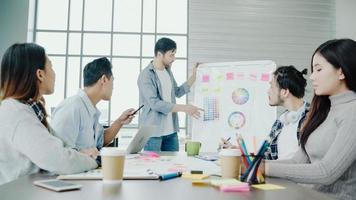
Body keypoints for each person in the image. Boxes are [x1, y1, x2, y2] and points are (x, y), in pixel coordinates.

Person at [265, 39, 356, 200]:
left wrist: (264, 168)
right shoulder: (323, 110)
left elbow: (326, 172)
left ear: (341, 72)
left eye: (318, 69)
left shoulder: (352, 111)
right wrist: (252, 164)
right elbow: (296, 162)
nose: (312, 77)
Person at [0, 43, 97, 185]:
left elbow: (62, 146)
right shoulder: (17, 114)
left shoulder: (29, 110)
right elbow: (59, 160)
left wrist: (81, 154)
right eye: (50, 66)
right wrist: (95, 161)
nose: (54, 73)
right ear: (40, 74)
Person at [220, 66, 310, 160]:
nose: (268, 91)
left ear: (285, 92)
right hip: (275, 174)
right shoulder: (281, 121)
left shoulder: (312, 118)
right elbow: (266, 157)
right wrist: (238, 152)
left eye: (271, 86)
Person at [51, 57, 135, 155]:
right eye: (112, 80)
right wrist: (86, 153)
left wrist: (120, 121)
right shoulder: (72, 107)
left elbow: (101, 140)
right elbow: (57, 152)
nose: (113, 87)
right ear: (104, 79)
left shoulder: (90, 109)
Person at [137, 37, 203, 151]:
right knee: (153, 168)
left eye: (174, 54)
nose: (174, 58)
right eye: (171, 55)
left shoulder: (167, 72)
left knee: (173, 167)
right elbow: (155, 103)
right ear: (159, 54)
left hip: (171, 132)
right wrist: (185, 108)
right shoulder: (146, 75)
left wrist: (194, 76)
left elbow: (177, 92)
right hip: (153, 134)